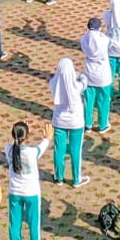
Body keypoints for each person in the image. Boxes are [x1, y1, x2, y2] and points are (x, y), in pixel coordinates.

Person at [5, 121, 52, 240]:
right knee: (33, 225)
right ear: (27, 136)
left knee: (14, 225)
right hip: (31, 193)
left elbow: (13, 144)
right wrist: (47, 138)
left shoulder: (8, 149)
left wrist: (20, 131)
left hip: (14, 192)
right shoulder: (31, 152)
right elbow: (42, 147)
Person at [49, 57, 88, 187]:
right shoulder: (76, 86)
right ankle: (77, 178)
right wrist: (80, 76)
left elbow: (57, 80)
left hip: (59, 121)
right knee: (75, 150)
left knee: (58, 150)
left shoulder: (53, 83)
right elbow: (84, 82)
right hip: (76, 122)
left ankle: (58, 177)